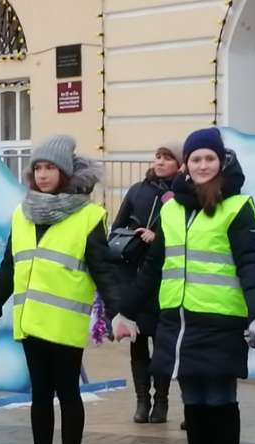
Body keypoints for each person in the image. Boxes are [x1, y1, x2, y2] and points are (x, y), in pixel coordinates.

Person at [114, 127, 255, 444]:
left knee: (220, 405)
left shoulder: (238, 207)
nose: (203, 165)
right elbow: (153, 267)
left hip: (219, 322)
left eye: (210, 158)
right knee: (194, 408)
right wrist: (126, 310)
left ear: (221, 162)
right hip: (178, 324)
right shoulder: (171, 208)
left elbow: (250, 266)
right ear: (186, 164)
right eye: (196, 159)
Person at [0, 135, 120, 444]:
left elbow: (104, 271)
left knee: (68, 395)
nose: (43, 175)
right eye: (37, 168)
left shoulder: (89, 215)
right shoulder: (22, 214)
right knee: (40, 397)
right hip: (30, 322)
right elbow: (10, 267)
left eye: (50, 168)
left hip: (63, 324)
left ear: (66, 172)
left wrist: (121, 314)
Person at [111, 143, 182, 423]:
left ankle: (161, 402)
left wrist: (157, 235)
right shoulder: (138, 190)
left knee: (162, 344)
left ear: (179, 164)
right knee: (137, 342)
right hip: (135, 277)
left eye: (168, 158)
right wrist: (132, 233)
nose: (161, 162)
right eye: (158, 157)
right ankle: (142, 401)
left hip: (165, 280)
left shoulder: (182, 194)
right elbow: (116, 226)